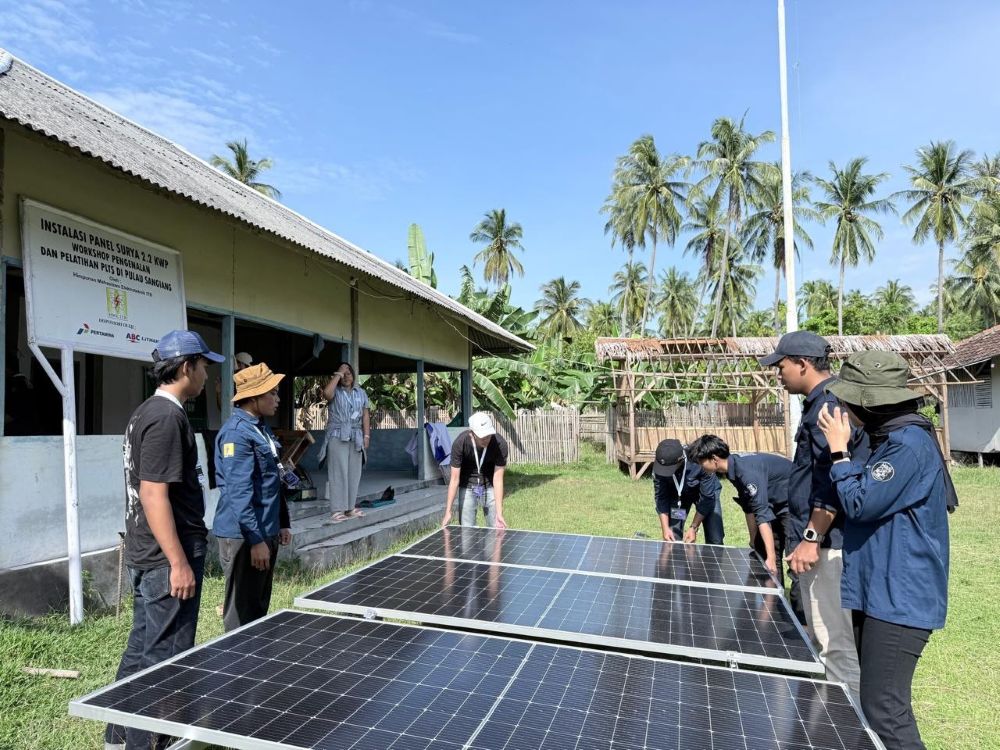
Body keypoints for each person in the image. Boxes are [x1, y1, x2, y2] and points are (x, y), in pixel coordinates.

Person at [818, 351, 952, 750]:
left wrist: (840, 453)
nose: (841, 407)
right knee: (877, 705)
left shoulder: (907, 446)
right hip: (880, 590)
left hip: (901, 597)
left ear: (868, 401)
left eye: (848, 399)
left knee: (885, 709)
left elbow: (860, 503)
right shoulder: (888, 440)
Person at [105, 330, 224, 750]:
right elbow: (154, 494)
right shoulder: (167, 418)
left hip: (148, 554)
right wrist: (178, 562)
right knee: (166, 657)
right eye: (205, 366)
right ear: (186, 366)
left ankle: (117, 735)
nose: (208, 374)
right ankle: (144, 743)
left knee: (142, 649)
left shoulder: (145, 412)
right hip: (163, 559)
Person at [760, 330, 868, 696]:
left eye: (782, 365)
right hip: (818, 538)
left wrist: (810, 539)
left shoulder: (827, 407)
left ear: (803, 364)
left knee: (833, 642)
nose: (778, 373)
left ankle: (850, 726)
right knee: (826, 639)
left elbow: (831, 481)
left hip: (825, 543)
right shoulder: (823, 402)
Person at [213, 363, 293, 632]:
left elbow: (273, 478)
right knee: (240, 614)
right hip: (244, 535)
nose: (278, 399)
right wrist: (256, 540)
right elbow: (238, 492)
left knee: (258, 608)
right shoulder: (236, 433)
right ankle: (237, 668)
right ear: (254, 397)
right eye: (273, 393)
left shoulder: (260, 428)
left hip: (266, 529)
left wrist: (283, 521)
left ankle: (255, 664)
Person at [686, 434, 794, 580]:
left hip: (792, 505)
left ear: (714, 459)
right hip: (772, 504)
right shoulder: (733, 468)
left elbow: (761, 514)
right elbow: (749, 506)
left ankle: (799, 602)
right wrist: (753, 539)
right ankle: (774, 600)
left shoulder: (746, 473)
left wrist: (771, 558)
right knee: (763, 553)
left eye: (701, 461)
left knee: (794, 561)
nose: (700, 466)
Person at [441, 412, 509, 528]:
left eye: (488, 435)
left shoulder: (500, 444)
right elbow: (454, 479)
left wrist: (499, 512)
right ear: (472, 434)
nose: (486, 439)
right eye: (482, 437)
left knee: (496, 527)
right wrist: (448, 511)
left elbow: (498, 479)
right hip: (467, 484)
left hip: (490, 484)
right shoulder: (460, 443)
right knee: (467, 529)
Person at [651, 438, 724, 544]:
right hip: (680, 498)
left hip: (705, 496)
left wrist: (694, 527)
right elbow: (661, 498)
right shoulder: (661, 465)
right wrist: (665, 528)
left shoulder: (700, 461)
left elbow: (707, 498)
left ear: (680, 461)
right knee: (673, 536)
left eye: (669, 469)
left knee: (715, 537)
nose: (665, 472)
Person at [323, 362, 370, 522]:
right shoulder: (334, 391)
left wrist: (366, 436)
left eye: (348, 373)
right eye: (343, 374)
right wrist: (338, 374)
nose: (346, 376)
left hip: (356, 435)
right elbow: (326, 394)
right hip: (337, 434)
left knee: (354, 472)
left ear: (353, 376)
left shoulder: (361, 393)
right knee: (338, 471)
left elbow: (365, 415)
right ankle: (337, 509)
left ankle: (349, 508)